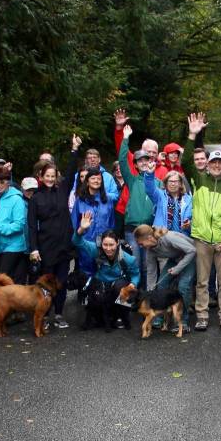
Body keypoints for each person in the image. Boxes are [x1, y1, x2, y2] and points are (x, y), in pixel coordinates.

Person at [184, 113, 221, 332]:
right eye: (213, 162)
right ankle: (202, 315)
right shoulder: (198, 179)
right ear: (207, 165)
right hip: (201, 239)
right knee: (202, 281)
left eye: (220, 162)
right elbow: (184, 161)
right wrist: (192, 135)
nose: (216, 165)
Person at [28, 135, 80, 330]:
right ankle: (44, 315)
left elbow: (72, 170)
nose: (50, 179)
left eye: (53, 175)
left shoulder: (63, 190)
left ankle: (58, 314)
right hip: (46, 246)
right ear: (40, 177)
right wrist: (33, 249)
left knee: (62, 282)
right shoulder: (35, 199)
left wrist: (74, 150)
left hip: (64, 245)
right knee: (45, 284)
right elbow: (32, 226)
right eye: (46, 176)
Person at [73, 212, 139, 329]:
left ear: (117, 243)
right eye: (105, 244)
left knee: (121, 288)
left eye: (111, 245)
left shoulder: (127, 258)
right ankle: (99, 317)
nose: (108, 248)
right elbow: (77, 242)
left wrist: (132, 285)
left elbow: (136, 275)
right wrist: (81, 229)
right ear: (101, 243)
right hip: (101, 283)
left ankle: (121, 316)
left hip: (118, 284)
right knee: (97, 295)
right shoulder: (96, 250)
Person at [134, 225, 197, 326]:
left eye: (141, 243)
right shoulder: (150, 251)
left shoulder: (168, 238)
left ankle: (183, 320)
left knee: (183, 286)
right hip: (175, 258)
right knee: (161, 284)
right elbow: (151, 272)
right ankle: (160, 317)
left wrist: (177, 269)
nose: (141, 246)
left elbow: (192, 250)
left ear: (149, 238)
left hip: (189, 256)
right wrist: (150, 292)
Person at [117, 127, 157, 288]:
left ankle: (146, 297)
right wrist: (125, 138)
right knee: (135, 265)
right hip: (132, 230)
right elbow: (121, 161)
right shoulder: (132, 181)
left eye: (146, 160)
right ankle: (134, 297)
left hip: (149, 230)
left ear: (151, 161)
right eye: (140, 161)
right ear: (136, 164)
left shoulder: (158, 183)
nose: (143, 163)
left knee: (148, 266)